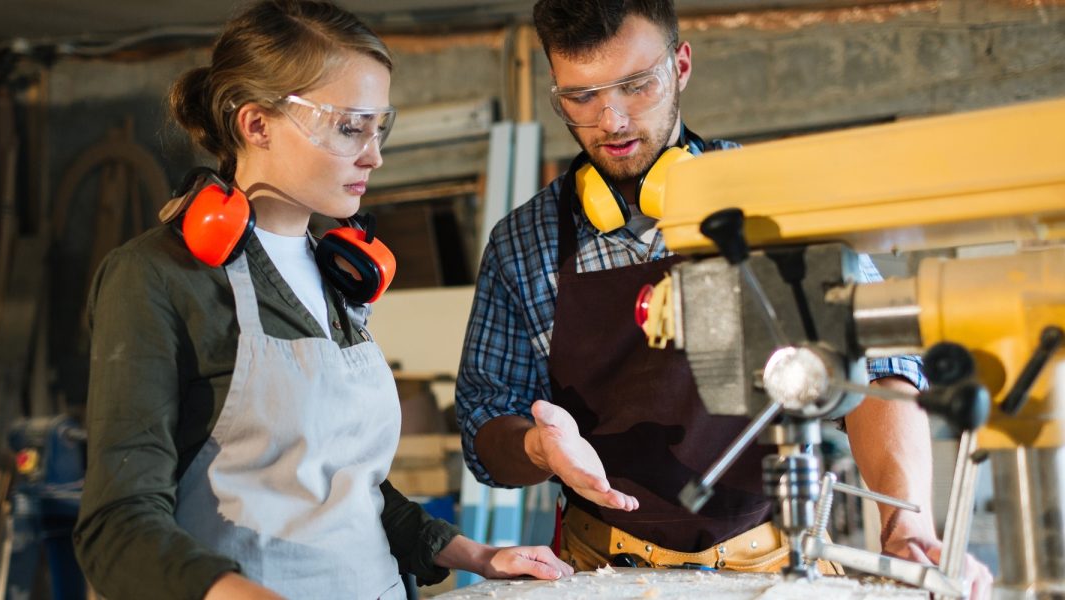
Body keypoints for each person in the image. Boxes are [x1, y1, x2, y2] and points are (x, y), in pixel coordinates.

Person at [455, 0, 992, 597]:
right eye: (580, 97)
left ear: (681, 65)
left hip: (775, 567)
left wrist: (905, 519)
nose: (610, 120)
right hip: (596, 572)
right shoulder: (522, 244)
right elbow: (485, 422)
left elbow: (879, 369)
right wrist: (538, 446)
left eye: (636, 85)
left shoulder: (781, 205)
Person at [72, 1, 573, 599]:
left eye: (378, 127)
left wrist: (477, 554)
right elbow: (117, 526)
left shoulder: (335, 275)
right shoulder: (157, 277)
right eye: (347, 127)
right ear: (255, 125)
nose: (374, 155)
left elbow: (342, 486)